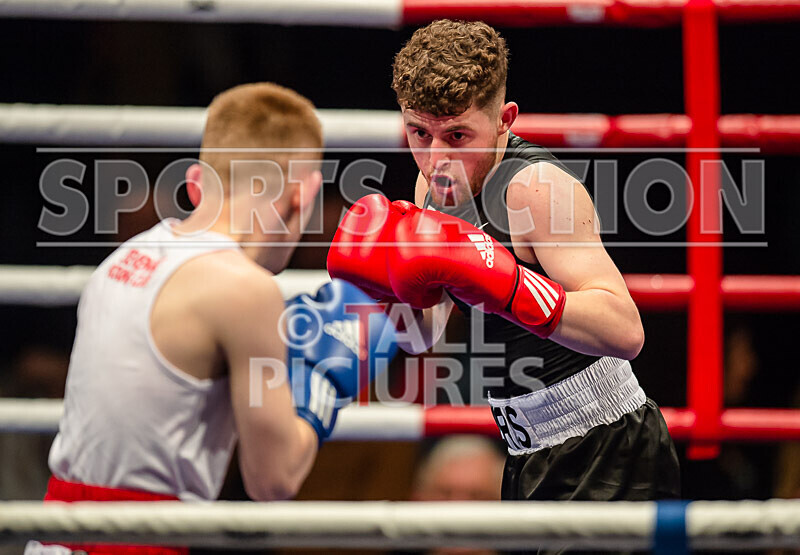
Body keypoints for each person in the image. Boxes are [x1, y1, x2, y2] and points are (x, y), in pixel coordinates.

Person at [328, 19, 680, 552]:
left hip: (609, 451)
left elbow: (625, 329)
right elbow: (424, 336)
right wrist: (390, 290)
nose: (436, 155)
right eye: (419, 134)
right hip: (526, 451)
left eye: (458, 135)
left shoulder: (536, 190)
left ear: (504, 119)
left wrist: (509, 284)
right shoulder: (433, 183)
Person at [29, 83, 396, 555]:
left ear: (197, 182)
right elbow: (274, 479)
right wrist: (323, 382)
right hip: (136, 543)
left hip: (52, 537)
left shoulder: (125, 256)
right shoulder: (246, 290)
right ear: (301, 195)